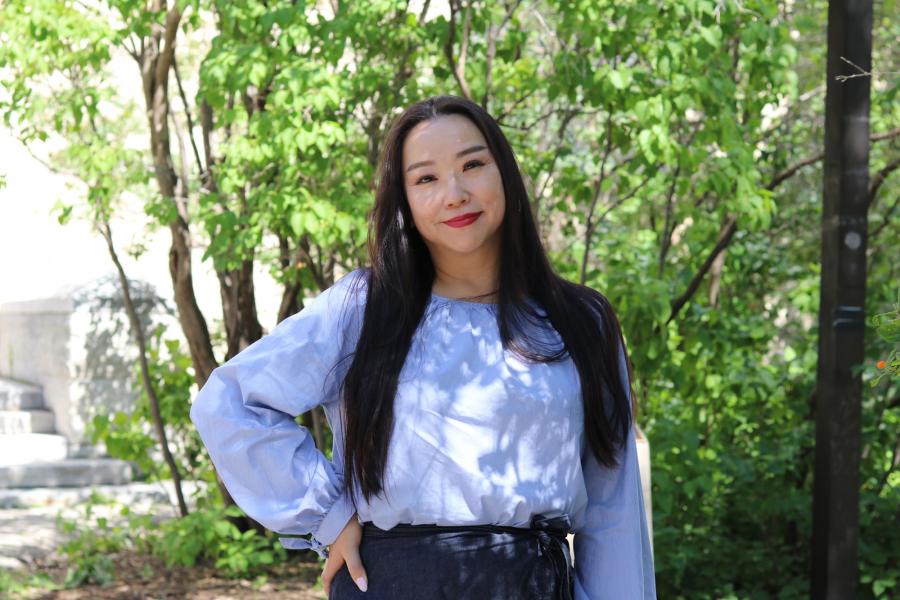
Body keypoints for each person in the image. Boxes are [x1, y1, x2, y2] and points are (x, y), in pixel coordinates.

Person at [190, 95, 656, 599]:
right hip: (392, 582)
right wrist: (329, 515)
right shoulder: (362, 309)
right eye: (426, 178)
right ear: (404, 200)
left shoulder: (580, 321)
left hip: (530, 584)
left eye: (473, 165)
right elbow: (230, 401)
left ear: (505, 174)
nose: (454, 193)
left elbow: (613, 510)